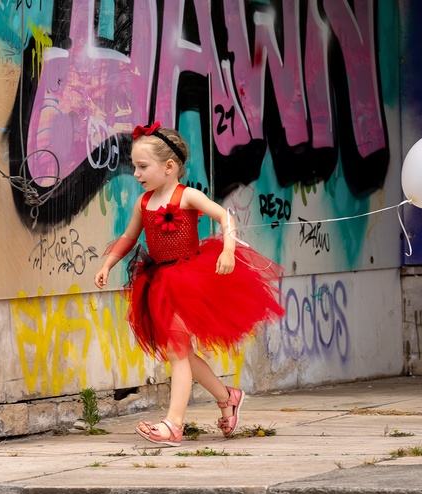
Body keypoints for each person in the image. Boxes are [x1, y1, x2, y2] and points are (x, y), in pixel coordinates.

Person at [94, 122, 284, 446]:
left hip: (191, 278)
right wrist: (108, 263)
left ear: (169, 167)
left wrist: (227, 249)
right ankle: (228, 397)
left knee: (178, 353)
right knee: (181, 353)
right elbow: (129, 236)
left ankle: (174, 424)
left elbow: (225, 217)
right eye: (135, 167)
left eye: (142, 167)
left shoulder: (187, 196)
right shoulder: (144, 203)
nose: (137, 174)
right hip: (159, 282)